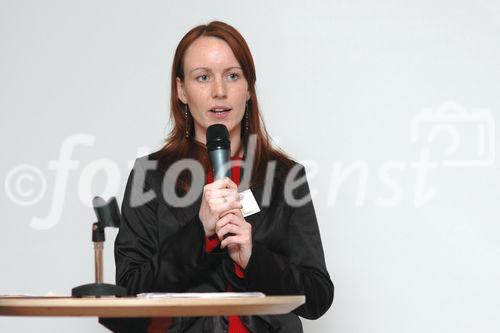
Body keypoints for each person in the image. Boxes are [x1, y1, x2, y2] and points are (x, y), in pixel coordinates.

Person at [108, 21, 333, 333]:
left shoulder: (285, 178)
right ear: (181, 90)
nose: (219, 91)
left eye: (232, 75)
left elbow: (318, 296)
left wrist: (254, 256)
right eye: (203, 77)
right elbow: (127, 299)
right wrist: (199, 233)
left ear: (250, 87)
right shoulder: (151, 176)